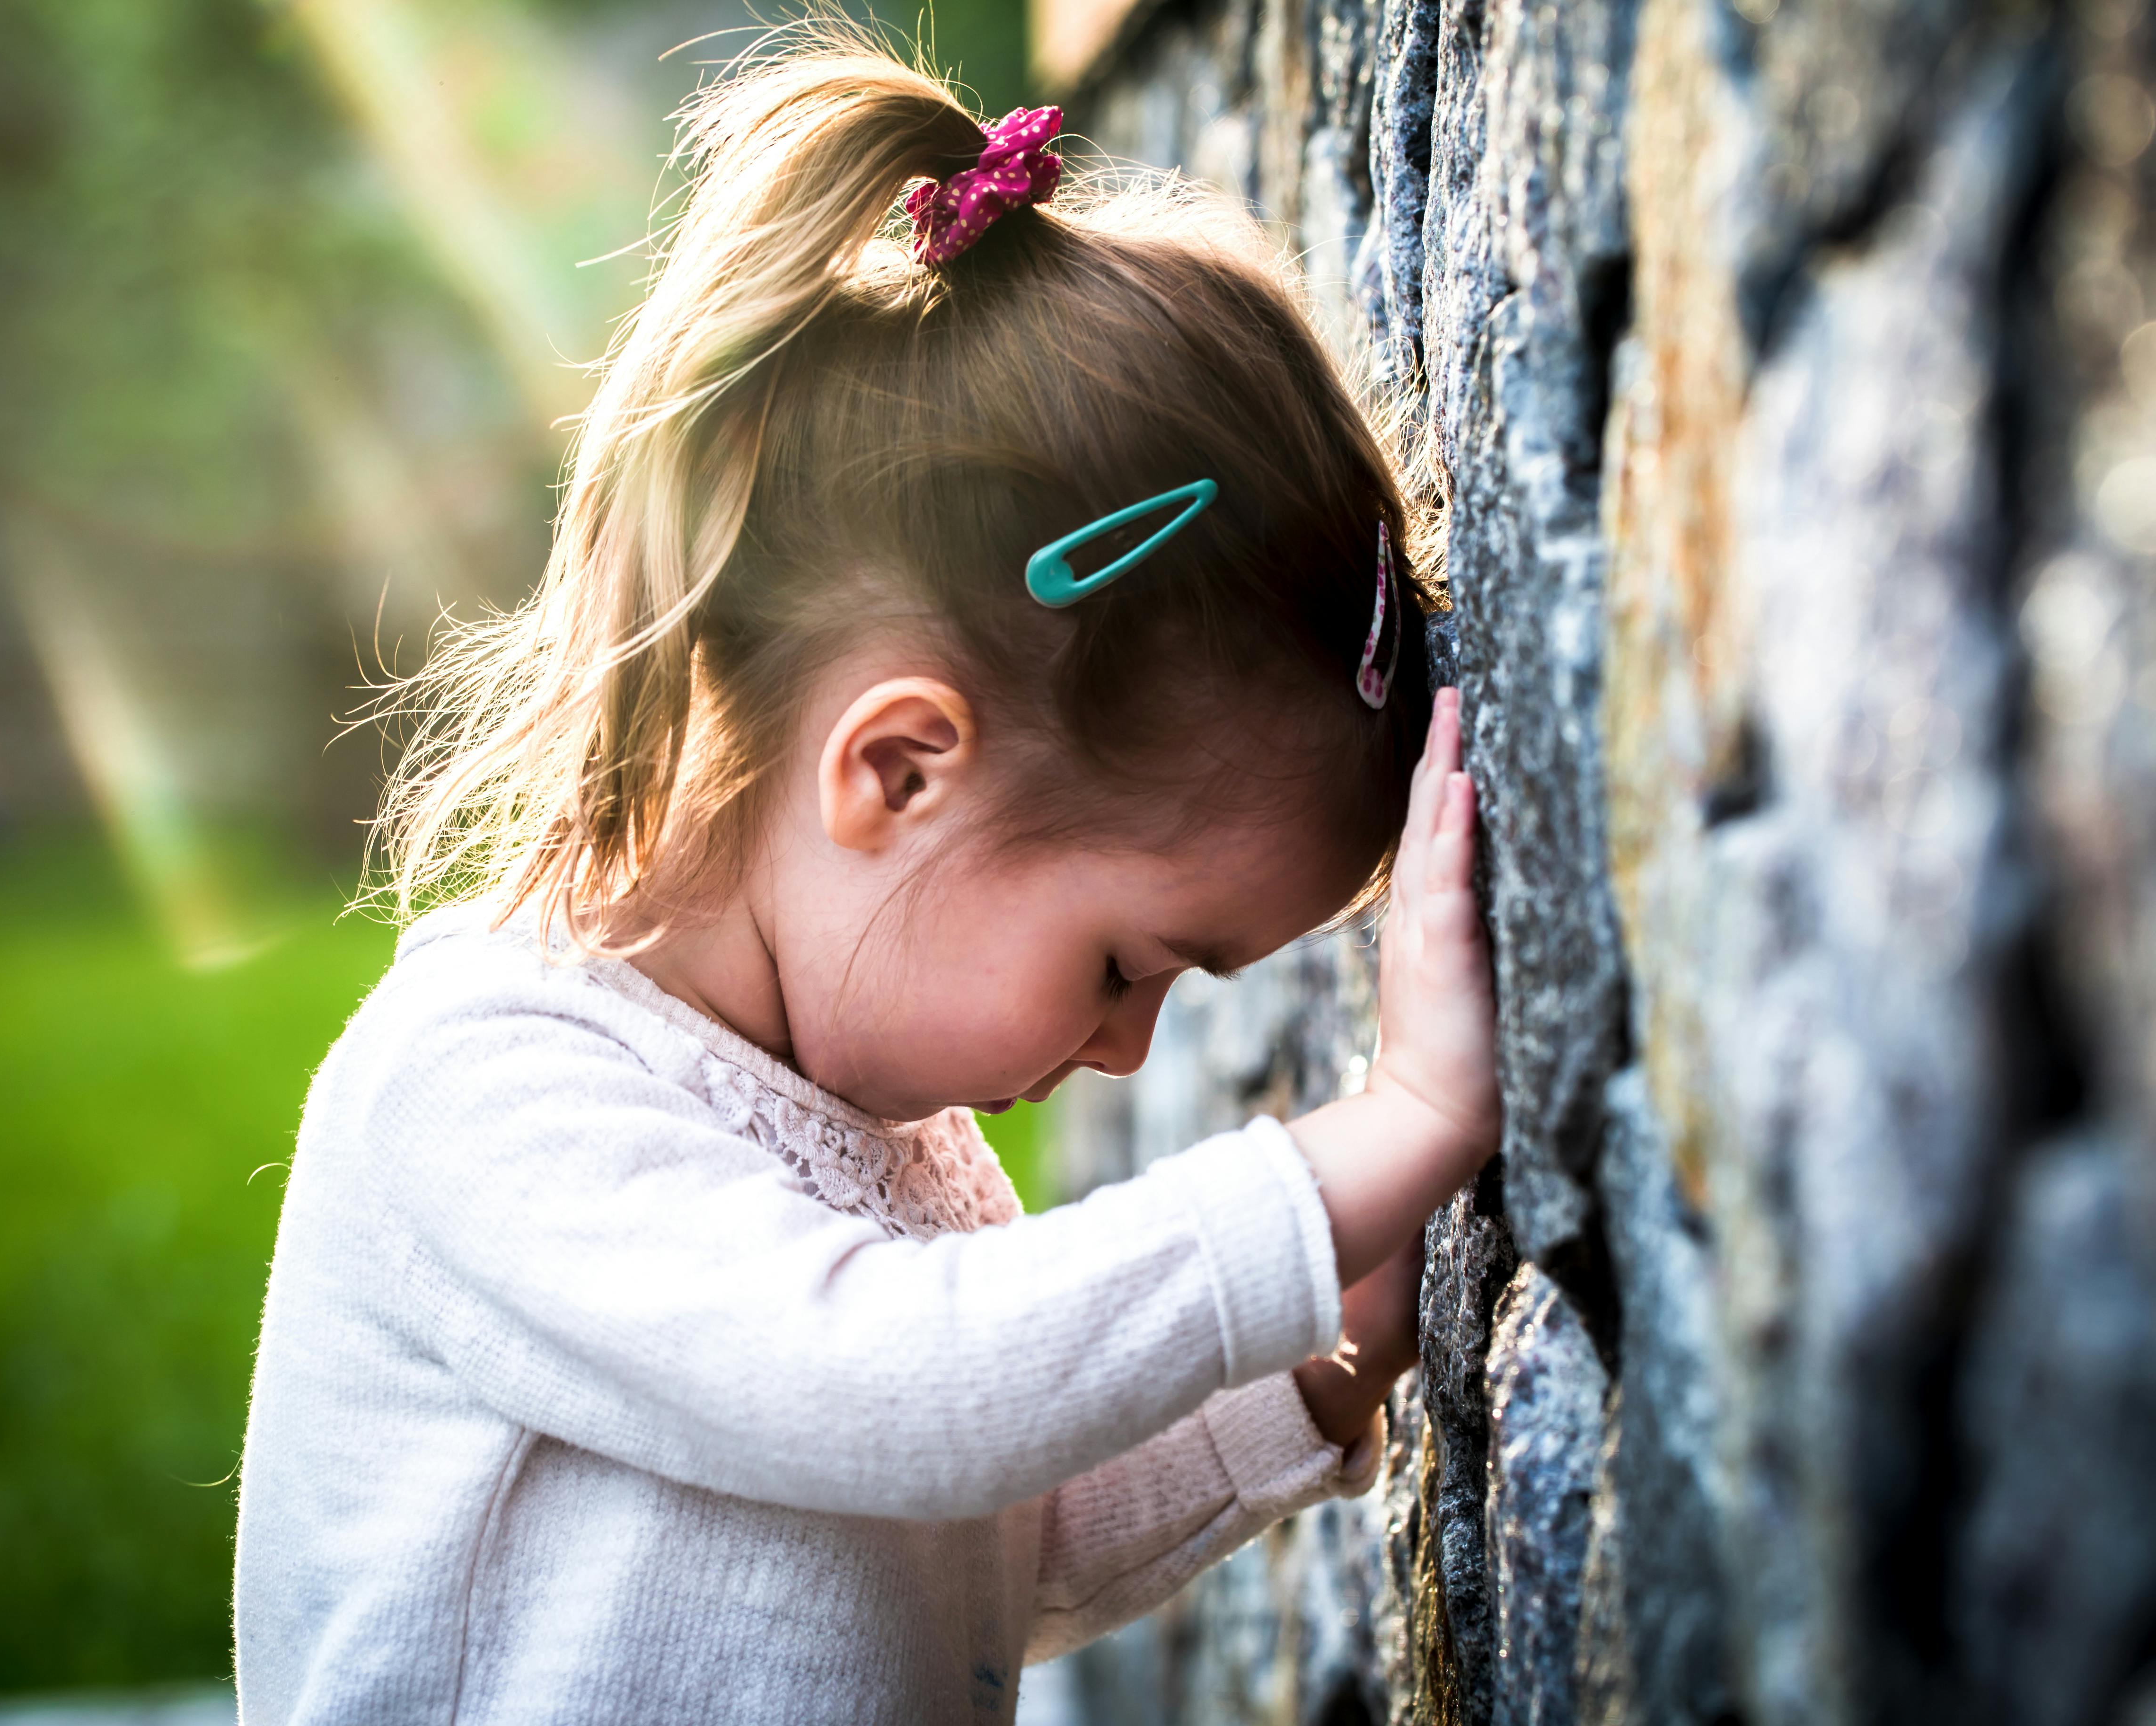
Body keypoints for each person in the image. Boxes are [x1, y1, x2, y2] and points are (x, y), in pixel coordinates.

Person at [235, 25, 1499, 1724]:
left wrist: (1328, 1368)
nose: (1125, 1048)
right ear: (897, 770)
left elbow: (989, 1525)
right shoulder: (483, 1089)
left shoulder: (873, 1133)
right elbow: (910, 1391)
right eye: (1132, 962)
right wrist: (1397, 1119)